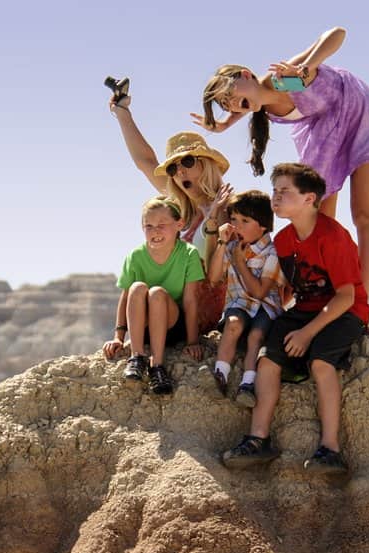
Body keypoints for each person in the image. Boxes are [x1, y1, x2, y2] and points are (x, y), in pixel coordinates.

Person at [194, 27, 369, 291]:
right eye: (228, 104)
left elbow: (337, 34)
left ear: (246, 74)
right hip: (325, 132)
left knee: (364, 213)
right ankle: (323, 289)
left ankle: (361, 296)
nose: (235, 104)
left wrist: (309, 67)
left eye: (233, 96)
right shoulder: (256, 102)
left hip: (357, 114)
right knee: (317, 216)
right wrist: (225, 123)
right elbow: (251, 99)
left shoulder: (282, 80)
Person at [221, 163, 368, 475]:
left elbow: (346, 295)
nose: (276, 197)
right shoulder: (285, 240)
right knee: (267, 360)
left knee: (320, 362)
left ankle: (330, 449)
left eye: (285, 191)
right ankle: (258, 438)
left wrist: (307, 334)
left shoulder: (332, 237)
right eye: (274, 191)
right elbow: (289, 288)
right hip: (305, 309)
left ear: (309, 198)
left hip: (345, 312)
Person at [109, 91, 234, 344]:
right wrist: (122, 112)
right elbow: (146, 162)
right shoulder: (180, 211)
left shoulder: (228, 208)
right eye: (173, 168)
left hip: (200, 311)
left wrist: (213, 220)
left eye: (187, 161)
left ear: (206, 164)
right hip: (167, 304)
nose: (180, 172)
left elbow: (216, 275)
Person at [102, 196, 205, 395]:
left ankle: (157, 366)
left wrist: (193, 341)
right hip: (143, 327)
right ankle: (137, 357)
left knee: (156, 292)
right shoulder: (136, 256)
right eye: (148, 226)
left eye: (161, 225)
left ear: (179, 224)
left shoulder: (188, 254)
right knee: (137, 288)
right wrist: (118, 337)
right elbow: (125, 298)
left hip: (172, 326)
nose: (155, 231)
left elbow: (191, 300)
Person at [206, 189, 286, 407]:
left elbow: (260, 292)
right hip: (238, 304)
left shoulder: (273, 252)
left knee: (256, 335)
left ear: (262, 225)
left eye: (244, 220)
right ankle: (220, 375)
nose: (236, 226)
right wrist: (222, 244)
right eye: (233, 219)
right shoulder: (231, 247)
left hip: (265, 307)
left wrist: (240, 263)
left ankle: (247, 384)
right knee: (232, 324)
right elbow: (213, 278)